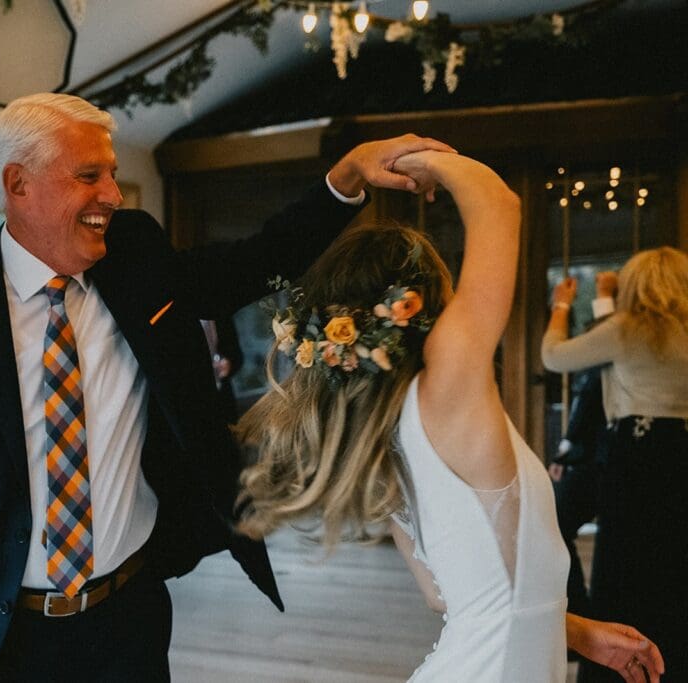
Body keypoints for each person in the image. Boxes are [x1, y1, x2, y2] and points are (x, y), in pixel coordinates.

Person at [0, 92, 457, 682]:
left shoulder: (135, 257)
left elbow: (248, 264)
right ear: (18, 184)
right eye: (90, 175)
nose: (113, 194)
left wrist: (345, 179)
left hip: (126, 624)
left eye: (112, 173)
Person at [235, 150, 665, 682]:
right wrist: (422, 158)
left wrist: (575, 631)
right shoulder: (445, 393)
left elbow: (450, 594)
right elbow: (498, 204)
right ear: (425, 305)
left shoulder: (385, 430)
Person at [543, 247, 688, 683]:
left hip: (634, 451)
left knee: (617, 557)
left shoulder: (630, 328)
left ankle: (598, 637)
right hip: (680, 452)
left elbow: (553, 356)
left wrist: (562, 306)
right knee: (672, 562)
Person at [548, 271, 616, 617]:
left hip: (601, 464)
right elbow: (581, 415)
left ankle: (579, 612)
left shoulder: (608, 359)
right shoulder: (597, 366)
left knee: (556, 528)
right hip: (594, 461)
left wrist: (564, 303)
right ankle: (581, 610)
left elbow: (585, 411)